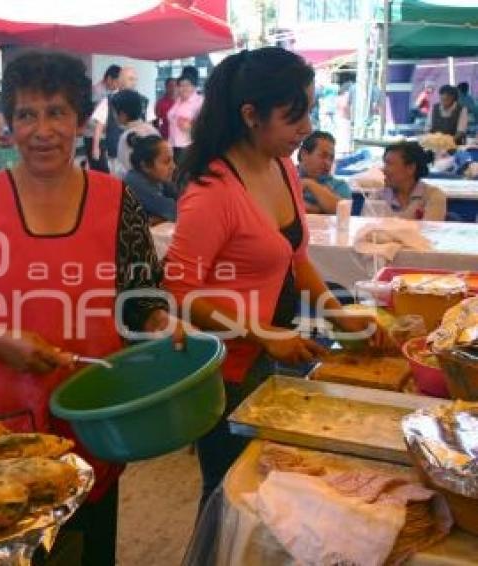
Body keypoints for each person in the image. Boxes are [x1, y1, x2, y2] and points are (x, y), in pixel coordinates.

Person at [0, 51, 178, 566]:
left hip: (96, 428)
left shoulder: (117, 201)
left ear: (79, 120)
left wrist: (164, 324)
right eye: (27, 115)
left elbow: (142, 300)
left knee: (87, 552)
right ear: (10, 126)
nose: (42, 129)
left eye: (56, 112)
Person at [162, 47, 386, 512]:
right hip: (222, 367)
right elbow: (179, 291)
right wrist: (265, 333)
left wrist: (340, 316)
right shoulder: (212, 191)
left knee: (264, 489)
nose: (306, 129)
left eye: (309, 112)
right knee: (226, 493)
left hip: (266, 354)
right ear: (250, 115)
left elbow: (295, 257)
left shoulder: (282, 167)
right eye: (294, 116)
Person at [91, 66, 147, 174]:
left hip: (137, 153)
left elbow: (148, 125)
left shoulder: (144, 101)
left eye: (135, 79)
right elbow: (99, 125)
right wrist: (95, 147)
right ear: (121, 80)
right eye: (130, 79)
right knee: (117, 184)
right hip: (116, 153)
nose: (134, 82)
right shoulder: (109, 101)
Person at [378, 141, 446, 221]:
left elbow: (429, 231)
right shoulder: (378, 194)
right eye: (385, 164)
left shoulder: (433, 196)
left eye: (389, 164)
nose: (383, 170)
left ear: (410, 168)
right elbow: (367, 228)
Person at [123, 134, 178, 223]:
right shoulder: (135, 183)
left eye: (172, 160)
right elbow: (177, 211)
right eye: (166, 162)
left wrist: (159, 218)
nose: (173, 166)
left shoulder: (157, 178)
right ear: (145, 166)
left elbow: (182, 197)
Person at [297, 131, 351, 214]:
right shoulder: (284, 178)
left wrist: (310, 184)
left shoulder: (339, 185)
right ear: (304, 154)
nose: (328, 163)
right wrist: (319, 209)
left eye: (331, 158)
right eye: (323, 156)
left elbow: (342, 211)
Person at [110, 89, 159, 178]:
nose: (113, 116)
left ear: (122, 115)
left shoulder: (126, 137)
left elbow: (125, 168)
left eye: (113, 112)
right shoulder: (152, 130)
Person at [84, 64, 121, 172]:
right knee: (101, 170)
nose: (117, 86)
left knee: (100, 168)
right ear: (109, 79)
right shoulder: (96, 92)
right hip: (93, 135)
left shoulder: (109, 92)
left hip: (103, 136)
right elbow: (91, 118)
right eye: (116, 82)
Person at [167, 72, 203, 163]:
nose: (183, 88)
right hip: (173, 144)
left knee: (184, 174)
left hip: (188, 146)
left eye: (187, 85)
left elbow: (206, 123)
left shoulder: (199, 101)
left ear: (194, 87)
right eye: (180, 85)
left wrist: (191, 127)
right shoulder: (178, 100)